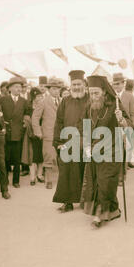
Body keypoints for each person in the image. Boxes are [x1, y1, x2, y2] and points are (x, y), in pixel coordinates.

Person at [80, 75, 132, 228]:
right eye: (91, 93)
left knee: (105, 181)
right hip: (94, 151)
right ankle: (113, 210)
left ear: (104, 91)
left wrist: (121, 119)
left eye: (96, 93)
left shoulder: (115, 105)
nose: (93, 96)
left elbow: (129, 126)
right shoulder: (88, 107)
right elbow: (83, 126)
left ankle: (99, 215)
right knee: (96, 182)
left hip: (112, 151)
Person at [52, 70, 89, 212]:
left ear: (84, 84)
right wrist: (58, 142)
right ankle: (67, 202)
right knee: (67, 173)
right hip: (67, 143)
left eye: (79, 84)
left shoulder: (90, 100)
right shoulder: (65, 101)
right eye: (74, 84)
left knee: (86, 172)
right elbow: (59, 122)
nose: (76, 87)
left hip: (85, 142)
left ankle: (85, 200)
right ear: (70, 85)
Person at [0, 77, 30, 188]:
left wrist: (25, 121)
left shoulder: (24, 101)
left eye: (20, 87)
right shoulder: (3, 100)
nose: (18, 89)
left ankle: (16, 181)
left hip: (18, 133)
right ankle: (5, 180)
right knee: (5, 158)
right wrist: (2, 125)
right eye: (16, 87)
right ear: (10, 88)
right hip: (6, 133)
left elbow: (27, 113)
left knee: (17, 159)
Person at [32, 78, 62, 189]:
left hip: (62, 135)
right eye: (53, 89)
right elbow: (35, 117)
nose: (56, 91)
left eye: (58, 89)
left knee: (61, 158)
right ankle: (48, 180)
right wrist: (38, 132)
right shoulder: (43, 102)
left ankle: (61, 180)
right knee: (49, 157)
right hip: (48, 134)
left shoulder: (63, 101)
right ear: (49, 90)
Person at [112, 73, 134, 169]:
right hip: (114, 127)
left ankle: (125, 166)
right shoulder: (111, 95)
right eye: (114, 84)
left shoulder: (129, 96)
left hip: (126, 126)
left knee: (127, 147)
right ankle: (119, 167)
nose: (116, 86)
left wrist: (132, 124)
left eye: (118, 84)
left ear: (123, 84)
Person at [21, 87, 44, 185]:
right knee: (32, 156)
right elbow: (25, 119)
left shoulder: (44, 106)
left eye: (40, 96)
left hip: (42, 133)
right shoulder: (28, 107)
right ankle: (32, 176)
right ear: (33, 97)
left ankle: (40, 175)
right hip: (31, 134)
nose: (40, 98)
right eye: (38, 96)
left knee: (41, 155)